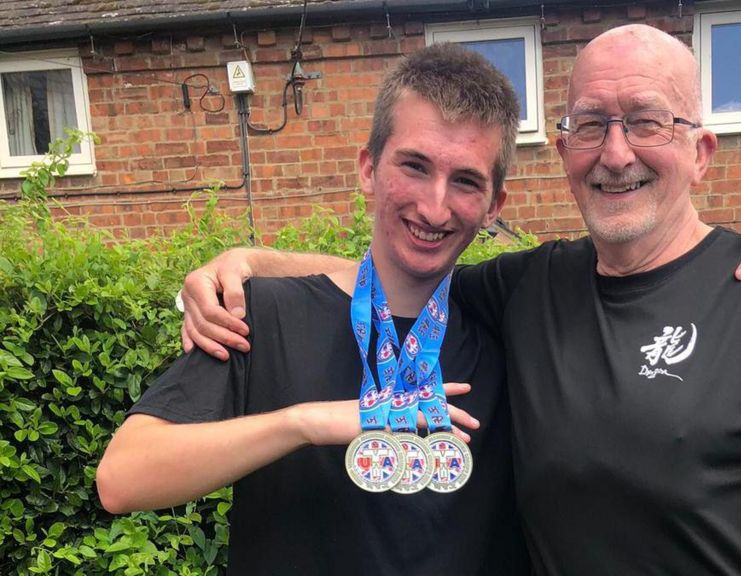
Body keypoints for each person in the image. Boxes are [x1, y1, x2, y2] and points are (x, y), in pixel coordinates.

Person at [178, 27, 741, 575]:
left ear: (701, 152)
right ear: (562, 151)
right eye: (590, 125)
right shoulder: (529, 287)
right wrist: (247, 261)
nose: (615, 153)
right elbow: (403, 267)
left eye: (646, 121)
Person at [97, 43, 531, 575]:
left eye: (465, 180)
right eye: (414, 166)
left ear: (494, 206)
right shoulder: (264, 313)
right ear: (368, 169)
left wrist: (258, 254)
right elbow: (122, 478)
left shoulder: (512, 320)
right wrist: (304, 423)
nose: (434, 206)